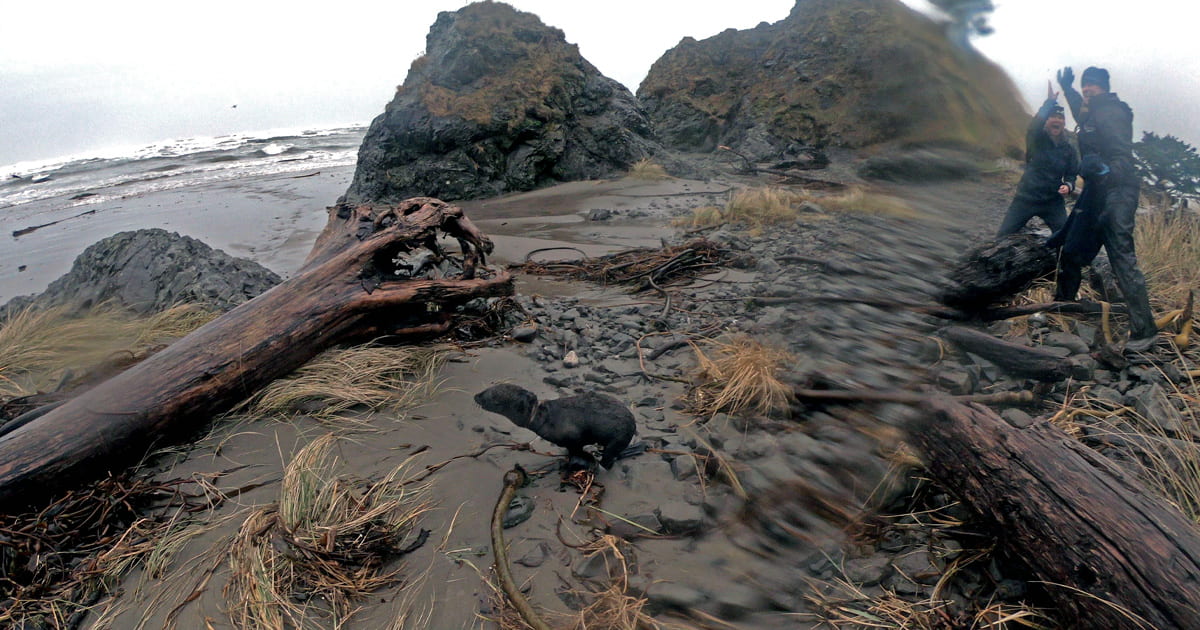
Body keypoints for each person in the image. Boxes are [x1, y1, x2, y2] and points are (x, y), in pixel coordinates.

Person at [1058, 66, 1157, 351]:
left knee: (1122, 257)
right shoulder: (1092, 111)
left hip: (1118, 191)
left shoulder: (1112, 111)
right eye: (1084, 85)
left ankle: (1145, 331)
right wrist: (1068, 88)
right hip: (1096, 192)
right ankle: (1063, 306)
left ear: (1103, 88)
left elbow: (1122, 156)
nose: (1087, 89)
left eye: (1092, 85)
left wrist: (1103, 170)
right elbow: (1080, 110)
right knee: (1073, 248)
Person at [996, 82, 1078, 237]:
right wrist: (1049, 103)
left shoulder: (1069, 150)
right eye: (1053, 116)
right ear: (1046, 121)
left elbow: (1072, 175)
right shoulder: (1036, 138)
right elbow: (1034, 125)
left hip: (1053, 201)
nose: (1057, 120)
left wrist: (1068, 185)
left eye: (1060, 117)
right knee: (1002, 236)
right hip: (1026, 198)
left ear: (1064, 123)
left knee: (1065, 238)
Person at [1046, 154, 1109, 301]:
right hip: (1090, 215)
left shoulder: (1099, 187)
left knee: (1071, 257)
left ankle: (1064, 300)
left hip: (1095, 226)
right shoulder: (1093, 186)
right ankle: (1064, 298)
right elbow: (1075, 218)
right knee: (1069, 256)